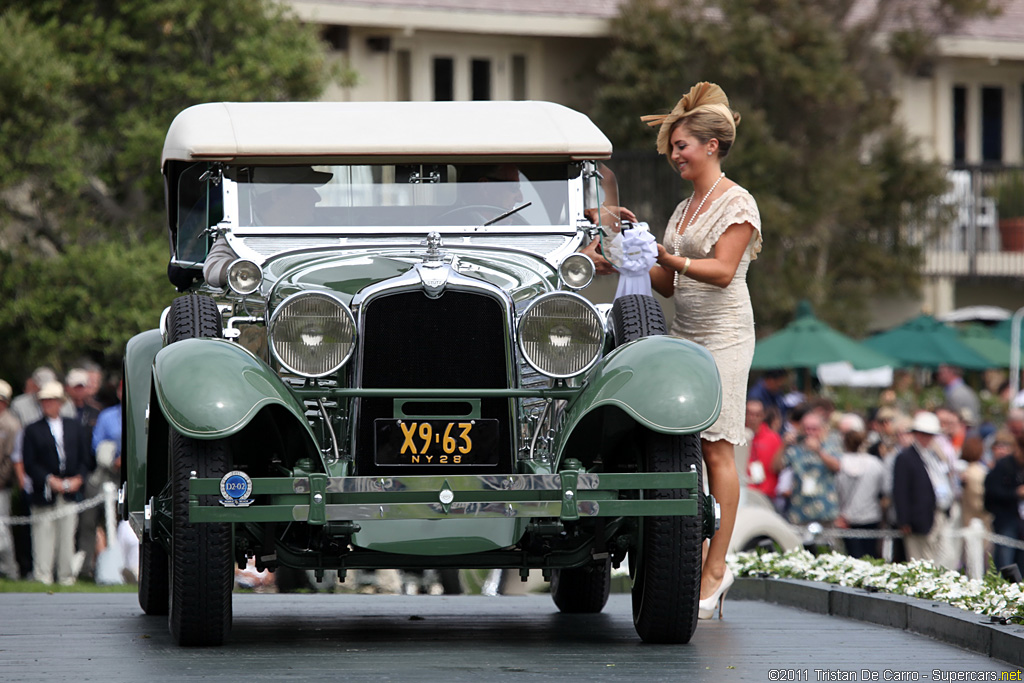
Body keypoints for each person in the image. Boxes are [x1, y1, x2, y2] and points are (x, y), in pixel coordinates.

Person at [642, 81, 761, 620]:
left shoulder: (738, 202)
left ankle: (717, 567)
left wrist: (670, 257)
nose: (674, 155)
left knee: (717, 447)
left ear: (711, 145)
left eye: (682, 145)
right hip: (685, 335)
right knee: (682, 444)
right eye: (671, 147)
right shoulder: (685, 208)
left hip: (727, 334)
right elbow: (667, 286)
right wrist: (626, 259)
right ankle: (690, 556)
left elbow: (721, 273)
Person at [21, 381, 91, 585]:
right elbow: (30, 463)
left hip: (70, 488)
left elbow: (85, 458)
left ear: (60, 402)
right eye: (44, 400)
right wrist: (50, 480)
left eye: (52, 400)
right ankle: (43, 576)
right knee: (43, 534)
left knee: (67, 535)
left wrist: (78, 478)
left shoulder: (73, 426)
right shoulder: (33, 429)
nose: (48, 404)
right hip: (45, 491)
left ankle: (66, 576)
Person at [892, 411, 952, 565]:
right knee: (919, 561)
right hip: (918, 519)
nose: (927, 438)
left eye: (931, 435)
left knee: (939, 559)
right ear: (916, 434)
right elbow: (900, 491)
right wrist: (904, 520)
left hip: (938, 513)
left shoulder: (933, 455)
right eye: (924, 434)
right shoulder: (905, 458)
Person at [778, 411, 841, 527]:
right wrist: (783, 445)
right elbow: (776, 468)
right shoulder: (795, 447)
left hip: (825, 509)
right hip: (800, 510)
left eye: (814, 429)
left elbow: (837, 467)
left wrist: (819, 452)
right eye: (807, 429)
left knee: (826, 545)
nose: (810, 433)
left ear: (822, 429)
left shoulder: (831, 444)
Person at [835, 430, 886, 559]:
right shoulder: (875, 464)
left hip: (846, 517)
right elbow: (883, 489)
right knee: (871, 556)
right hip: (871, 516)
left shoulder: (839, 463)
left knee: (851, 557)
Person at [983, 432, 1024, 575]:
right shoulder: (1004, 465)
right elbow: (991, 493)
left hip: (1021, 522)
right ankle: (1005, 590)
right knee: (1005, 561)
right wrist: (1016, 493)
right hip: (1006, 520)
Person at [744, 399, 783, 500]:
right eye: (750, 414)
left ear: (763, 416)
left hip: (767, 494)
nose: (753, 418)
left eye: (757, 415)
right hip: (743, 491)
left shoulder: (773, 438)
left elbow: (778, 467)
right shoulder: (737, 436)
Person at [0, 380, 19, 578]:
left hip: (1, 486)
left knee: (2, 529)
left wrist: (1, 480)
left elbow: (9, 458)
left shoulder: (11, 424)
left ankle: (9, 570)